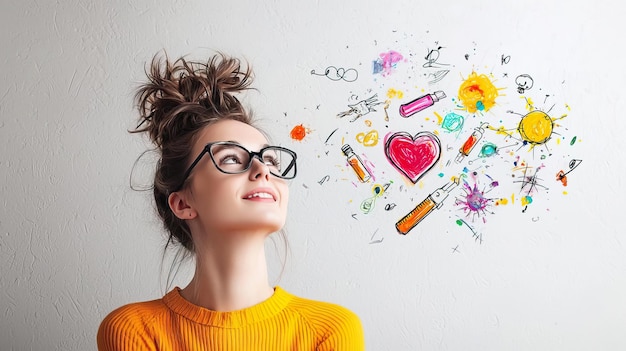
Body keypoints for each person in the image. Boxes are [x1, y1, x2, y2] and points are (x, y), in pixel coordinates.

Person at [97, 52, 365, 350]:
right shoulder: (133, 330)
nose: (262, 169)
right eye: (231, 158)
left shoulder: (330, 330)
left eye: (271, 160)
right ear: (183, 203)